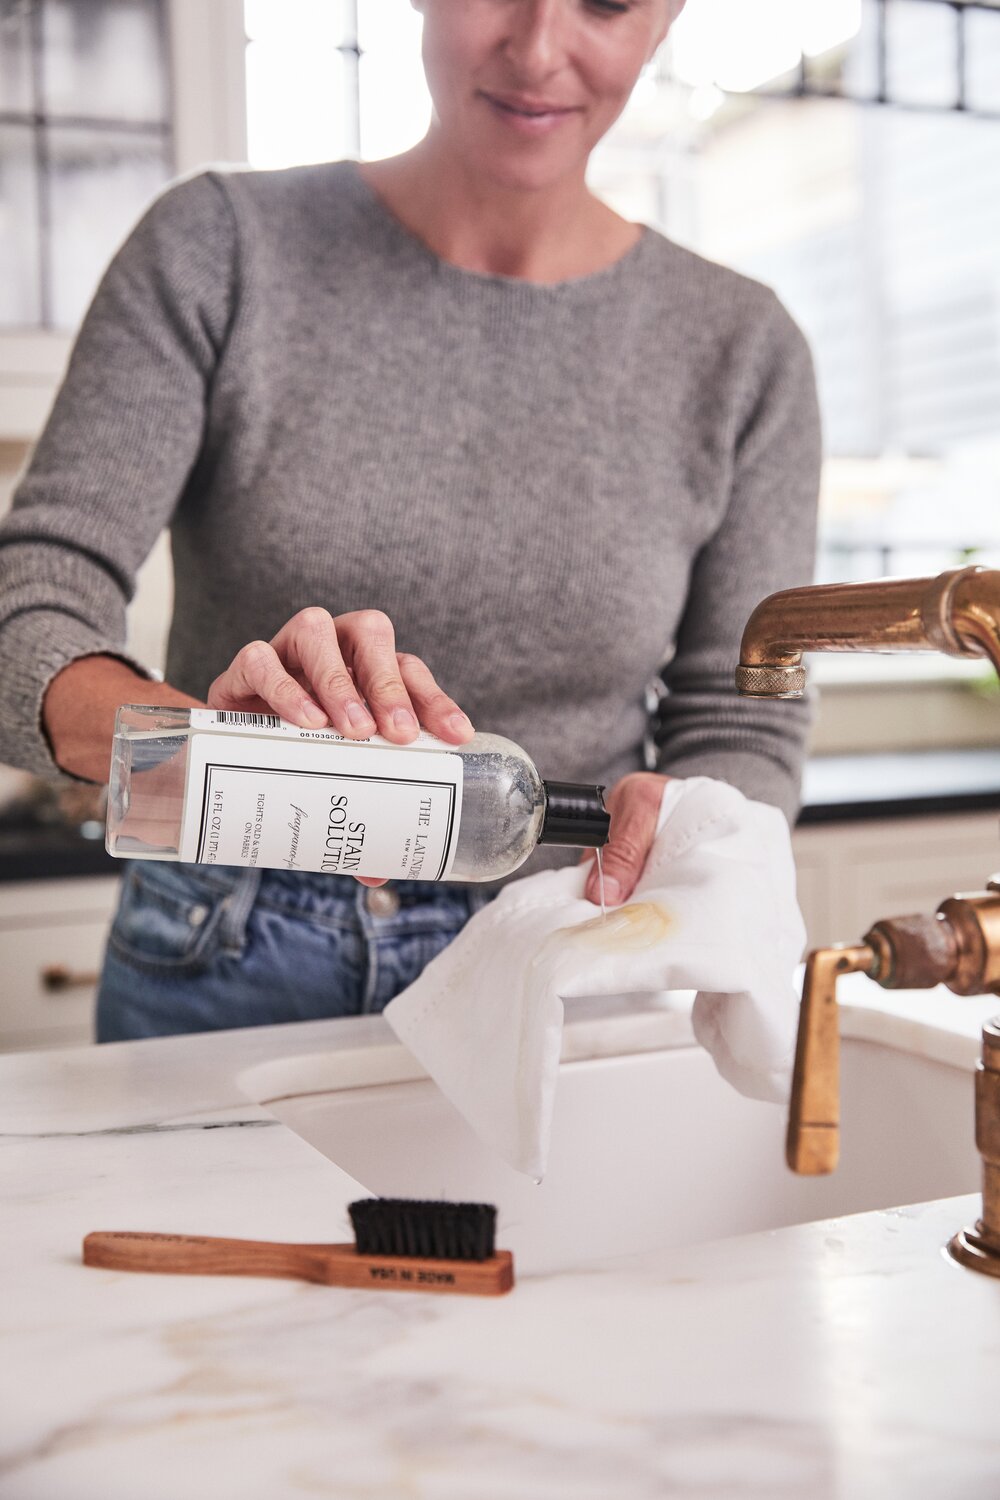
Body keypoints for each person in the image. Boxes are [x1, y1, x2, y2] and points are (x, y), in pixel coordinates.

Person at [0, 0, 820, 1041]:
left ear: (664, 22)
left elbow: (740, 719)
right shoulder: (220, 247)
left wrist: (691, 826)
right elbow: (28, 612)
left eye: (605, 3)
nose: (536, 50)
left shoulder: (743, 351)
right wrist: (203, 748)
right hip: (228, 944)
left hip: (569, 952)